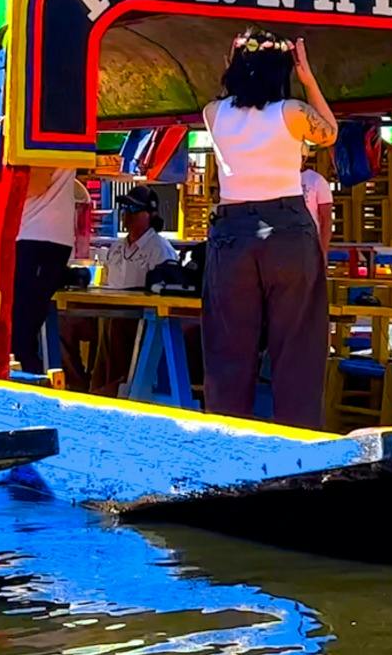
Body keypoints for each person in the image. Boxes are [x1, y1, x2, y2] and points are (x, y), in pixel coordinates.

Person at [199, 31, 338, 429]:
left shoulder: (213, 113)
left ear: (234, 66)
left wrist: (236, 59)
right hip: (287, 229)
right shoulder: (293, 112)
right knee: (297, 344)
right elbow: (329, 131)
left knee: (228, 346)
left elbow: (230, 90)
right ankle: (298, 441)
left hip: (233, 229)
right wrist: (308, 76)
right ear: (284, 71)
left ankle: (228, 440)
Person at [8, 166, 81, 376]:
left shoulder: (43, 136)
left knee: (20, 334)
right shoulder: (70, 137)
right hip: (47, 235)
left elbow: (36, 185)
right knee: (24, 329)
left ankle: (29, 387)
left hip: (35, 234)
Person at [100, 185, 175, 290]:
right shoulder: (116, 248)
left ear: (151, 214)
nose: (127, 213)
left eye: (134, 208)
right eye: (124, 207)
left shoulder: (161, 250)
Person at [301, 158, 334, 254]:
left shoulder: (316, 180)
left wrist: (323, 251)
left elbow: (326, 219)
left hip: (310, 243)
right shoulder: (281, 181)